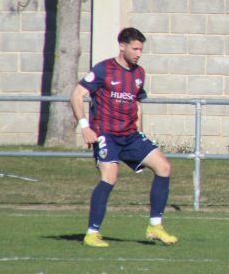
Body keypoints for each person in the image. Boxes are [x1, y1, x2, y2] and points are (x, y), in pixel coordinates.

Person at [70, 27, 177, 248]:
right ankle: (92, 233)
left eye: (141, 49)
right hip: (106, 134)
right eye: (135, 48)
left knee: (164, 167)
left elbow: (137, 101)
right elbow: (77, 95)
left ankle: (155, 226)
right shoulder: (103, 69)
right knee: (110, 176)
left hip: (130, 134)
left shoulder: (139, 73)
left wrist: (140, 128)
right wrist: (84, 127)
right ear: (122, 46)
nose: (138, 53)